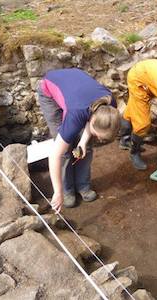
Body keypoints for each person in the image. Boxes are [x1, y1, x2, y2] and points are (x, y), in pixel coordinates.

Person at [38, 68, 120, 213]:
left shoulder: (109, 105)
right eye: (98, 135)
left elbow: (92, 116)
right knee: (64, 150)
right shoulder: (77, 114)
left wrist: (83, 142)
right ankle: (66, 189)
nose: (99, 139)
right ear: (92, 120)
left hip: (76, 91)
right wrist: (57, 192)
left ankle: (83, 186)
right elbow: (54, 155)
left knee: (86, 146)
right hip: (50, 91)